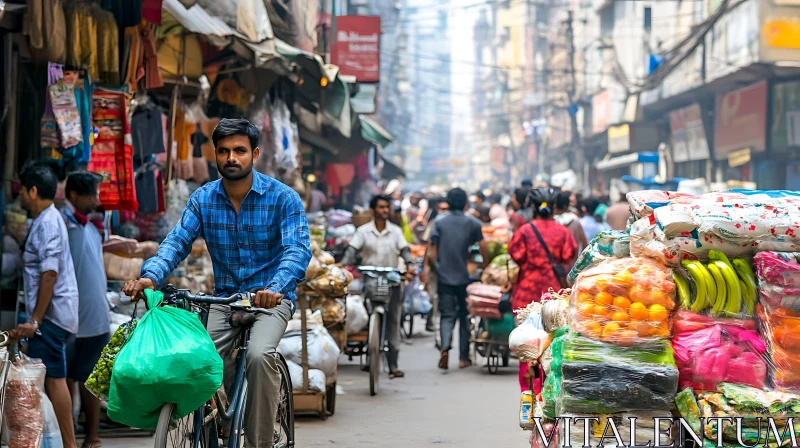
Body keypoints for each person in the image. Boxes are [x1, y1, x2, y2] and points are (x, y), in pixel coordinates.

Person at [123, 118, 311, 446]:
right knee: (198, 359)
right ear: (215, 155)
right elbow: (177, 241)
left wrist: (275, 288)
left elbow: (297, 250)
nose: (231, 158)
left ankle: (259, 442)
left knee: (257, 356)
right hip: (224, 299)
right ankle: (216, 425)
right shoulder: (203, 198)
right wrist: (150, 277)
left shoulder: (284, 198)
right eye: (223, 151)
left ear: (254, 154)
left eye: (239, 151)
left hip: (271, 299)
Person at [12, 163, 79, 448]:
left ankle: (68, 443)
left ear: (34, 190)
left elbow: (49, 274)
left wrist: (35, 321)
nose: (20, 197)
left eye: (23, 191)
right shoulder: (44, 220)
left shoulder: (49, 222)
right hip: (50, 315)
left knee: (54, 378)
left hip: (50, 317)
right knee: (49, 377)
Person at [508, 187, 577, 394]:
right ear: (554, 208)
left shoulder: (524, 232)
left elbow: (516, 255)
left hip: (526, 295)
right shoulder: (563, 232)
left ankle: (527, 391)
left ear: (531, 207)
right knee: (551, 345)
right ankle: (547, 391)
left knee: (526, 345)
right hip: (552, 298)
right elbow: (569, 256)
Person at [341, 194, 415, 379]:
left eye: (386, 207)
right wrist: (343, 265)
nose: (384, 210)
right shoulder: (363, 231)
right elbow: (352, 250)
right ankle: (370, 356)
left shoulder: (396, 231)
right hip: (371, 281)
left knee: (393, 321)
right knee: (367, 317)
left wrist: (410, 264)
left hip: (392, 281)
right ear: (373, 210)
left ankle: (393, 365)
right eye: (381, 207)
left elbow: (405, 250)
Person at [60, 172, 109, 448]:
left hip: (95, 317)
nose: (97, 199)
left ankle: (92, 437)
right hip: (70, 317)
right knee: (64, 378)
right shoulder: (63, 226)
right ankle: (69, 437)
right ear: (74, 195)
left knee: (90, 381)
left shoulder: (90, 228)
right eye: (92, 194)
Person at [427, 188, 487, 370]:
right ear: (465, 203)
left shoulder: (439, 222)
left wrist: (435, 269)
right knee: (464, 315)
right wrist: (483, 266)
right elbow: (483, 247)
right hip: (465, 277)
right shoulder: (473, 223)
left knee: (446, 315)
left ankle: (445, 347)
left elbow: (431, 253)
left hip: (444, 276)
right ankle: (463, 358)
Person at [554, 190, 588, 257]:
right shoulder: (575, 220)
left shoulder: (553, 221)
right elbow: (584, 244)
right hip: (573, 262)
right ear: (566, 205)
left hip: (556, 262)